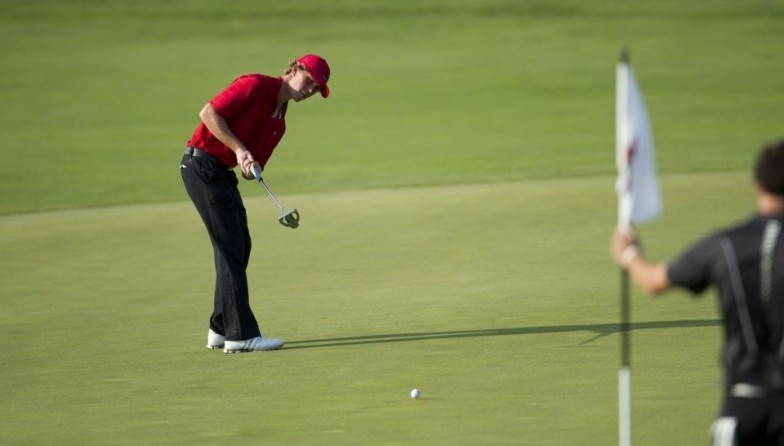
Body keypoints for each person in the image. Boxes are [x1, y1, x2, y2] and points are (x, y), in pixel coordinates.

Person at [610, 140, 784, 445]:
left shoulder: (725, 245)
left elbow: (653, 281)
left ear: (758, 185)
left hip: (743, 406)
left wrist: (627, 254)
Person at [180, 54, 331, 353]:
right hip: (200, 166)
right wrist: (238, 149)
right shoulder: (256, 85)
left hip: (220, 173)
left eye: (317, 89)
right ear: (294, 69)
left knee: (241, 245)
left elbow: (250, 168)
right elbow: (208, 112)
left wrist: (250, 166)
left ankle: (220, 328)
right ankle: (241, 335)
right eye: (310, 81)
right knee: (229, 247)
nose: (311, 90)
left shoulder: (280, 124)